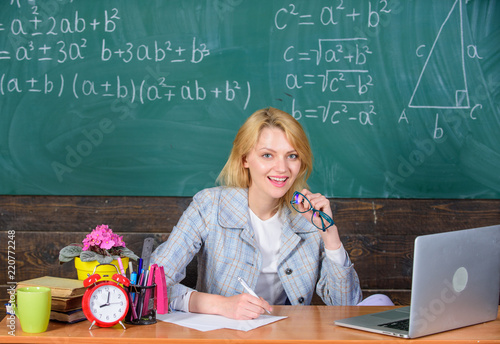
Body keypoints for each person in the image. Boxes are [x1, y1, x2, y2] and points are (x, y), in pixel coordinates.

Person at [151, 107, 364, 320]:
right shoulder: (210, 205)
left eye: (292, 156)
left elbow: (348, 307)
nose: (282, 168)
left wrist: (330, 235)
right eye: (267, 155)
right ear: (245, 159)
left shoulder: (308, 217)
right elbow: (151, 284)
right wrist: (221, 305)